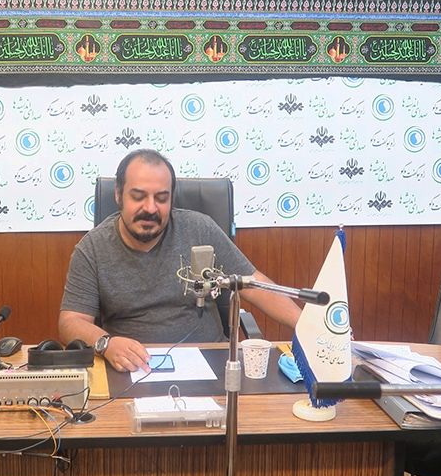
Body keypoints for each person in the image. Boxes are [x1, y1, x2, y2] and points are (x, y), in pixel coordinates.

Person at [58, 149, 303, 372]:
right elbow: (71, 322)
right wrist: (106, 343)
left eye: (161, 198)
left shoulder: (200, 229)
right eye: (138, 196)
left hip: (211, 362)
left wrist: (307, 326)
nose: (150, 208)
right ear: (118, 195)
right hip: (132, 367)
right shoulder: (92, 248)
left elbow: (253, 284)